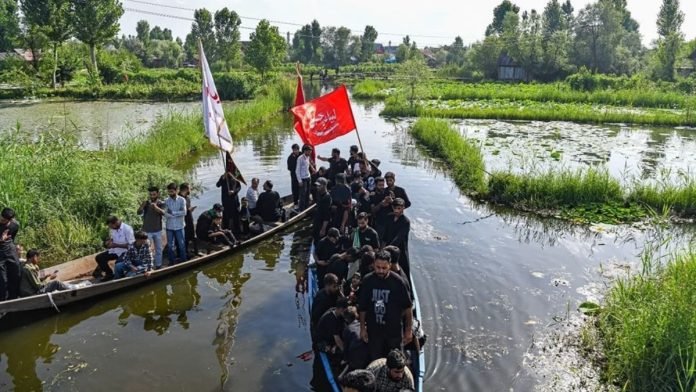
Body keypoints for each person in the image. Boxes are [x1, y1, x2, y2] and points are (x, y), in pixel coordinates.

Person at [359, 250, 413, 361]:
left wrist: (408, 330)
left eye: (384, 268)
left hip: (393, 331)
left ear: (389, 265)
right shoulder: (367, 281)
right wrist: (362, 328)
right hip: (374, 330)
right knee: (375, 359)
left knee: (395, 360)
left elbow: (408, 307)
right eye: (378, 267)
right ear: (374, 264)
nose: (380, 271)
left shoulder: (398, 282)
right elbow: (362, 308)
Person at [94, 216, 135, 282]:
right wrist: (109, 242)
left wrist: (116, 245)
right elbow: (113, 238)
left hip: (125, 252)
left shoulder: (127, 229)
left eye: (111, 226)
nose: (111, 228)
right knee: (99, 257)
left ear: (116, 223)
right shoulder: (113, 229)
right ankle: (109, 274)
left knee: (117, 265)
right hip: (115, 251)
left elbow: (131, 246)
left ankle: (121, 277)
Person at [137, 187, 166, 269]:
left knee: (159, 249)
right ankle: (148, 266)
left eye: (154, 194)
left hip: (158, 230)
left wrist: (155, 207)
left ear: (158, 194)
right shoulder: (146, 203)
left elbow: (164, 213)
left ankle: (158, 265)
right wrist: (142, 206)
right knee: (147, 249)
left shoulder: (161, 203)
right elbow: (139, 213)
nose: (152, 196)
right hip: (147, 230)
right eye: (150, 195)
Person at [382, 198, 411, 278]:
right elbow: (385, 234)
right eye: (395, 208)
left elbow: (399, 237)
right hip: (387, 248)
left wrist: (387, 248)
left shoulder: (405, 222)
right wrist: (382, 248)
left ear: (403, 208)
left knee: (403, 271)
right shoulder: (389, 217)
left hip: (400, 250)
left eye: (399, 208)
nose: (396, 211)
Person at [310, 273, 340, 341]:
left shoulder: (332, 293)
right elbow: (316, 318)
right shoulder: (322, 300)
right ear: (328, 286)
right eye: (334, 286)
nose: (337, 288)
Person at [0, 207, 20, 300]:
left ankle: (14, 297)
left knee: (16, 272)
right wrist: (1, 240)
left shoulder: (15, 225)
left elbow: (13, 238)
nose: (5, 222)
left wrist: (16, 246)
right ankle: (3, 301)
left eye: (8, 221)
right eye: (3, 219)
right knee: (3, 279)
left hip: (10, 250)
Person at [164, 183, 187, 265]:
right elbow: (165, 213)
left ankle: (184, 261)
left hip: (179, 226)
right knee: (170, 246)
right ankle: (172, 262)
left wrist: (173, 212)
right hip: (169, 226)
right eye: (169, 192)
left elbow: (184, 212)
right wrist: (176, 213)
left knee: (181, 245)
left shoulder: (182, 200)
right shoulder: (166, 201)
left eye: (172, 191)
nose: (170, 193)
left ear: (176, 191)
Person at [342, 305, 370, 370]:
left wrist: (345, 359)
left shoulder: (347, 330)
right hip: (368, 357)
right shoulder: (364, 325)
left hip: (355, 361)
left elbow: (345, 348)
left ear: (346, 319)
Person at [179, 183, 198, 258]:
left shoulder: (187, 198)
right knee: (185, 237)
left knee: (192, 235)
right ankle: (185, 253)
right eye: (189, 188)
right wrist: (188, 210)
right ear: (186, 189)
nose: (190, 190)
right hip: (183, 220)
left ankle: (195, 251)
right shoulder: (179, 198)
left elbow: (188, 209)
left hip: (189, 219)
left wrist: (190, 210)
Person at [313, 177, 332, 244]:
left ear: (324, 185)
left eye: (319, 186)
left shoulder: (327, 197)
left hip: (322, 224)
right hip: (317, 222)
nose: (317, 187)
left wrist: (323, 229)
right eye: (317, 186)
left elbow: (327, 215)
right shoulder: (318, 194)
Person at [296, 144, 315, 211]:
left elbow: (308, 163)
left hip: (308, 177)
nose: (310, 153)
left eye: (311, 151)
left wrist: (312, 168)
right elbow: (297, 170)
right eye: (309, 151)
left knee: (308, 194)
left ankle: (306, 208)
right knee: (302, 195)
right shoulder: (300, 158)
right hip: (303, 179)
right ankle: (301, 209)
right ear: (305, 151)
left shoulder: (308, 157)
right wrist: (299, 181)